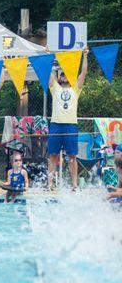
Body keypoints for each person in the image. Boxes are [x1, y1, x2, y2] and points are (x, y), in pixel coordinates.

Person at [47, 48, 89, 191]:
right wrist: (49, 55)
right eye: (62, 74)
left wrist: (85, 56)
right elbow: (48, 71)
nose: (64, 76)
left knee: (72, 157)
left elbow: (83, 73)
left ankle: (74, 185)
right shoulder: (55, 88)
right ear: (59, 78)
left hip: (71, 126)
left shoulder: (75, 89)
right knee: (52, 156)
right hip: (56, 125)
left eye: (66, 74)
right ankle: (50, 184)